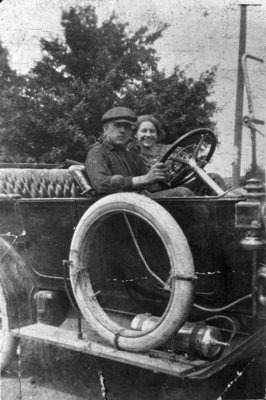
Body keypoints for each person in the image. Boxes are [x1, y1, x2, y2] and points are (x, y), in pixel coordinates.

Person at [85, 107, 193, 197]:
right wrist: (145, 179)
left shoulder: (133, 157)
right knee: (182, 193)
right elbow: (101, 184)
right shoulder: (97, 153)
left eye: (127, 127)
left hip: (141, 202)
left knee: (203, 181)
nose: (122, 130)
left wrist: (173, 174)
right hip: (122, 207)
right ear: (105, 129)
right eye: (117, 125)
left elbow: (152, 186)